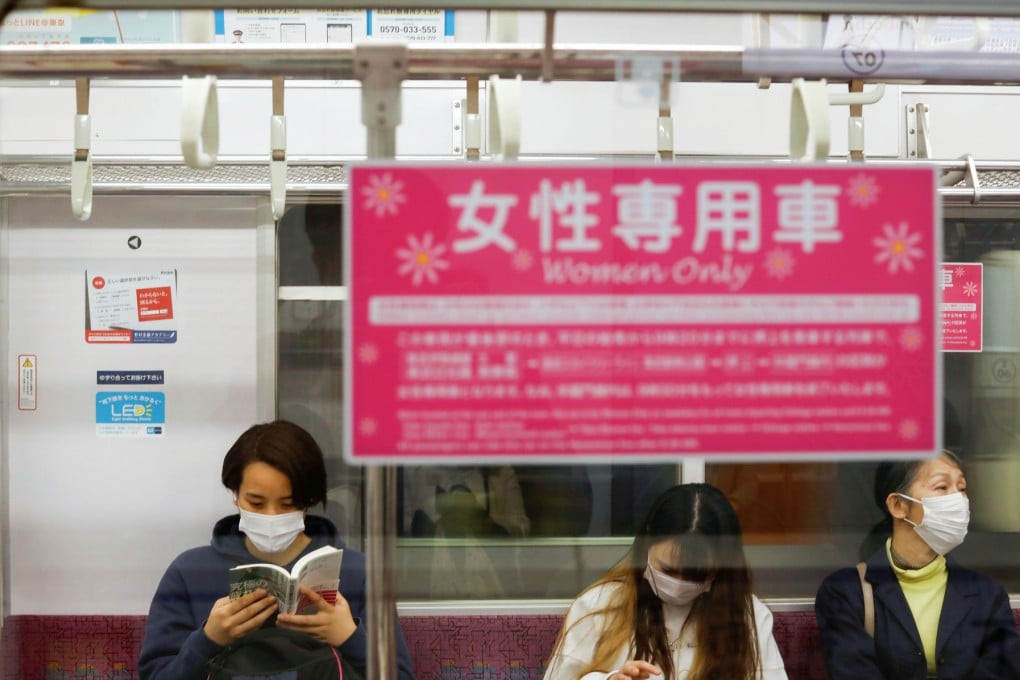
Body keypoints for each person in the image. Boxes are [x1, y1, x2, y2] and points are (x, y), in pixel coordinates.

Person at [138, 419, 415, 680]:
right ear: (235, 494)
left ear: (308, 501)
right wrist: (208, 639)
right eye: (256, 503)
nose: (272, 515)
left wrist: (349, 638)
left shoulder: (360, 572)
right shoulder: (189, 571)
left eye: (288, 504)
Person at [543, 483, 787, 680]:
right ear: (648, 543)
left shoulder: (748, 615)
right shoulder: (599, 605)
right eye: (668, 570)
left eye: (696, 576)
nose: (679, 584)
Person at [815, 450, 1019, 679]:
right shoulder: (846, 593)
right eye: (942, 487)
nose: (959, 500)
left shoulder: (987, 594)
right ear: (898, 505)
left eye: (961, 489)